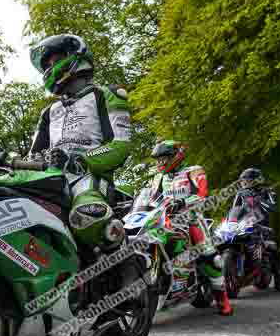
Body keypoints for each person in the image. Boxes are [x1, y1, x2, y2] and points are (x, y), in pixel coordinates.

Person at [27, 34, 132, 253]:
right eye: (46, 65)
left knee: (87, 215)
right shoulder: (48, 112)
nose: (50, 68)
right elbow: (32, 156)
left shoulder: (106, 94)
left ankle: (123, 256)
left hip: (89, 178)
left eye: (54, 61)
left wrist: (81, 160)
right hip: (50, 180)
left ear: (73, 56)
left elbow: (121, 144)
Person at [149, 140, 234, 316]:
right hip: (166, 220)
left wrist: (183, 202)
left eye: (163, 159)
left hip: (192, 219)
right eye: (158, 160)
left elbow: (202, 195)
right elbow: (151, 199)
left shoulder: (193, 171)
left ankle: (222, 299)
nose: (160, 163)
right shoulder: (158, 178)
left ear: (175, 156)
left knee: (209, 256)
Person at [231, 167, 280, 292]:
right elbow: (234, 209)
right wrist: (231, 221)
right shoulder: (241, 193)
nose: (244, 183)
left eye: (248, 180)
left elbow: (272, 207)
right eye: (243, 181)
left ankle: (279, 281)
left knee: (273, 250)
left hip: (263, 225)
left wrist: (258, 200)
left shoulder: (268, 191)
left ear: (257, 180)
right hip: (244, 225)